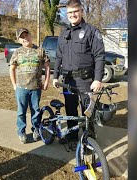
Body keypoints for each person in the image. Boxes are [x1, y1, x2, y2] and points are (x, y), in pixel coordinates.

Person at [53, 0, 105, 143]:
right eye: (70, 12)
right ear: (67, 14)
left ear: (81, 11)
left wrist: (98, 79)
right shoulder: (63, 34)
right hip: (68, 81)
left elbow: (100, 55)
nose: (73, 14)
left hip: (86, 81)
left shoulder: (91, 31)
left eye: (76, 11)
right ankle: (72, 136)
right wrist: (55, 76)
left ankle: (89, 141)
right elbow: (58, 57)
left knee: (87, 112)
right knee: (70, 110)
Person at [10, 28, 50, 144]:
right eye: (22, 37)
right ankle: (21, 132)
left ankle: (36, 129)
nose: (25, 38)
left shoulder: (40, 51)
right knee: (21, 112)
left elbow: (47, 67)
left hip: (36, 88)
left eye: (26, 35)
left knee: (36, 111)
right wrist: (14, 85)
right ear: (19, 40)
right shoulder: (17, 52)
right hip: (21, 88)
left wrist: (46, 81)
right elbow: (12, 68)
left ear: (30, 36)